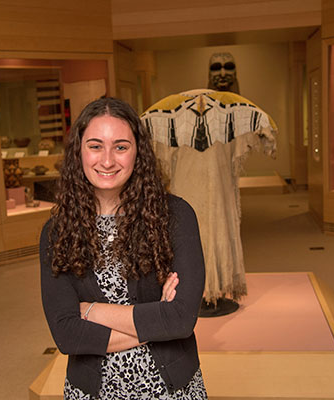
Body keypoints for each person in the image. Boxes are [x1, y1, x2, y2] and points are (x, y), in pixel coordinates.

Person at [40, 97, 208, 399]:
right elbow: (67, 335)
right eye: (95, 146)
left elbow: (181, 319)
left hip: (170, 390)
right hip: (92, 392)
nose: (107, 160)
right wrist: (157, 322)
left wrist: (92, 312)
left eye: (120, 146)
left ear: (138, 153)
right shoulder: (57, 232)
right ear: (78, 151)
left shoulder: (175, 217)